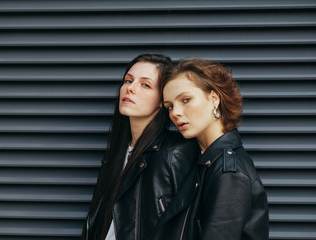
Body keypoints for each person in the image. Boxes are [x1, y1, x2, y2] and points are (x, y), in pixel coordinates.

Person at [82, 54, 199, 240]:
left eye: (145, 84)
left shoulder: (174, 154)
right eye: (128, 80)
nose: (131, 88)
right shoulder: (116, 155)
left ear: (162, 100)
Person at [158, 59, 269, 239]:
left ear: (214, 99)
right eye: (169, 106)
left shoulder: (228, 171)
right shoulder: (205, 161)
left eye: (186, 99)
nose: (175, 112)